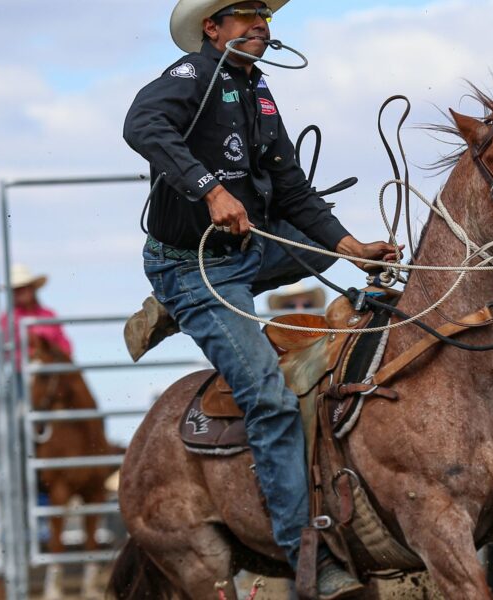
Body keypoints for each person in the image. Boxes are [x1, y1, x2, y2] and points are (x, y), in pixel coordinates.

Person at [120, 1, 400, 596]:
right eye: (242, 15)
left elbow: (293, 191)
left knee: (320, 245)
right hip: (193, 263)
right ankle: (307, 553)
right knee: (269, 399)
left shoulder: (259, 93)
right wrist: (209, 189)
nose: (259, 25)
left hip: (245, 254)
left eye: (262, 16)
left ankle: (192, 305)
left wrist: (354, 248)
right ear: (211, 30)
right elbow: (141, 125)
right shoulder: (190, 78)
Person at [0, 264, 73, 366]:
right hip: (23, 370)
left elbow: (64, 344)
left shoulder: (48, 314)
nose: (20, 292)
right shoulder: (7, 319)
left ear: (32, 288)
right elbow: (9, 352)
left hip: (52, 368)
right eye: (16, 289)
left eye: (24, 287)